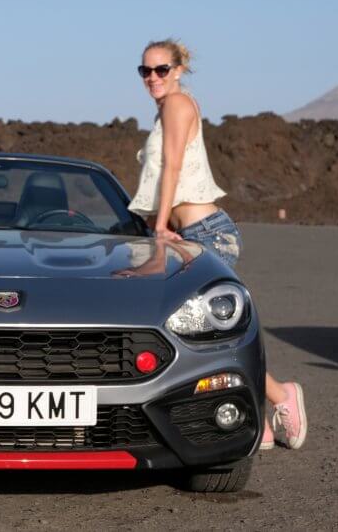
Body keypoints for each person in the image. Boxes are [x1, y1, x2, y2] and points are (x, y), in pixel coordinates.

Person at [128, 39, 306, 451]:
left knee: (209, 335)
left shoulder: (176, 104)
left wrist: (157, 228)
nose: (152, 78)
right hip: (184, 237)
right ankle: (255, 420)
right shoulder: (166, 109)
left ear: (178, 69)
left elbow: (172, 166)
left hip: (203, 234)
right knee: (193, 332)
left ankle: (280, 397)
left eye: (160, 70)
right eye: (144, 71)